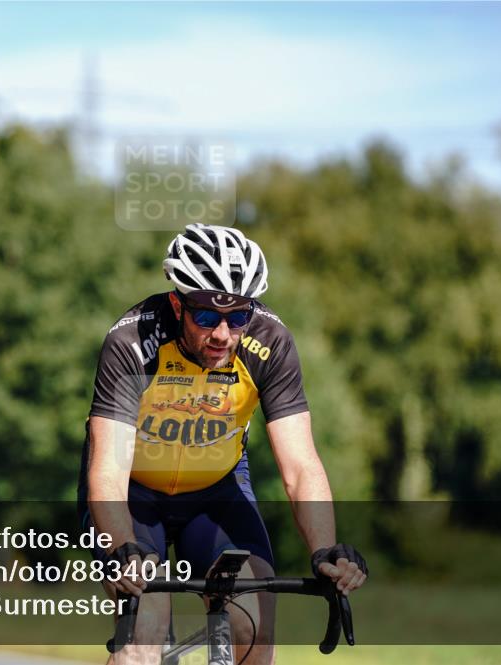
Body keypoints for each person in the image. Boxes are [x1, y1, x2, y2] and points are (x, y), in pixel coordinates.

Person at [78, 223, 368, 665]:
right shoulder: (132, 342)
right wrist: (122, 545)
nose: (223, 334)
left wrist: (324, 549)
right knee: (145, 626)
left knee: (252, 624)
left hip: (216, 491)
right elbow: (107, 468)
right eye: (207, 317)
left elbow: (300, 466)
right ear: (178, 304)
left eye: (238, 317)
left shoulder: (269, 343)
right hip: (131, 494)